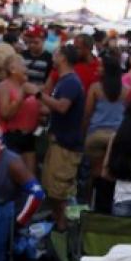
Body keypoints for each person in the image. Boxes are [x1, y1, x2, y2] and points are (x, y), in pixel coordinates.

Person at [39, 43, 86, 230]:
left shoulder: (70, 82)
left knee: (61, 190)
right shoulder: (64, 81)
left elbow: (62, 107)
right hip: (58, 143)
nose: (53, 57)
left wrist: (38, 95)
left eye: (56, 54)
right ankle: (58, 221)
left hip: (66, 146)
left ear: (63, 58)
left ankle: (63, 229)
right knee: (52, 188)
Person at [82, 52, 128, 207]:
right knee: (111, 173)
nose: (97, 68)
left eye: (100, 66)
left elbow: (87, 114)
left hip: (95, 135)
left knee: (94, 172)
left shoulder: (95, 88)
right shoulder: (126, 90)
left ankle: (90, 203)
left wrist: (83, 133)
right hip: (117, 137)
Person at [0, 52, 41, 177]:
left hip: (28, 137)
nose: (27, 69)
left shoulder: (27, 86)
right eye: (23, 66)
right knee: (13, 176)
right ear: (13, 69)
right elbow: (5, 113)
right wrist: (22, 96)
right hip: (11, 136)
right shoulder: (4, 86)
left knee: (30, 176)